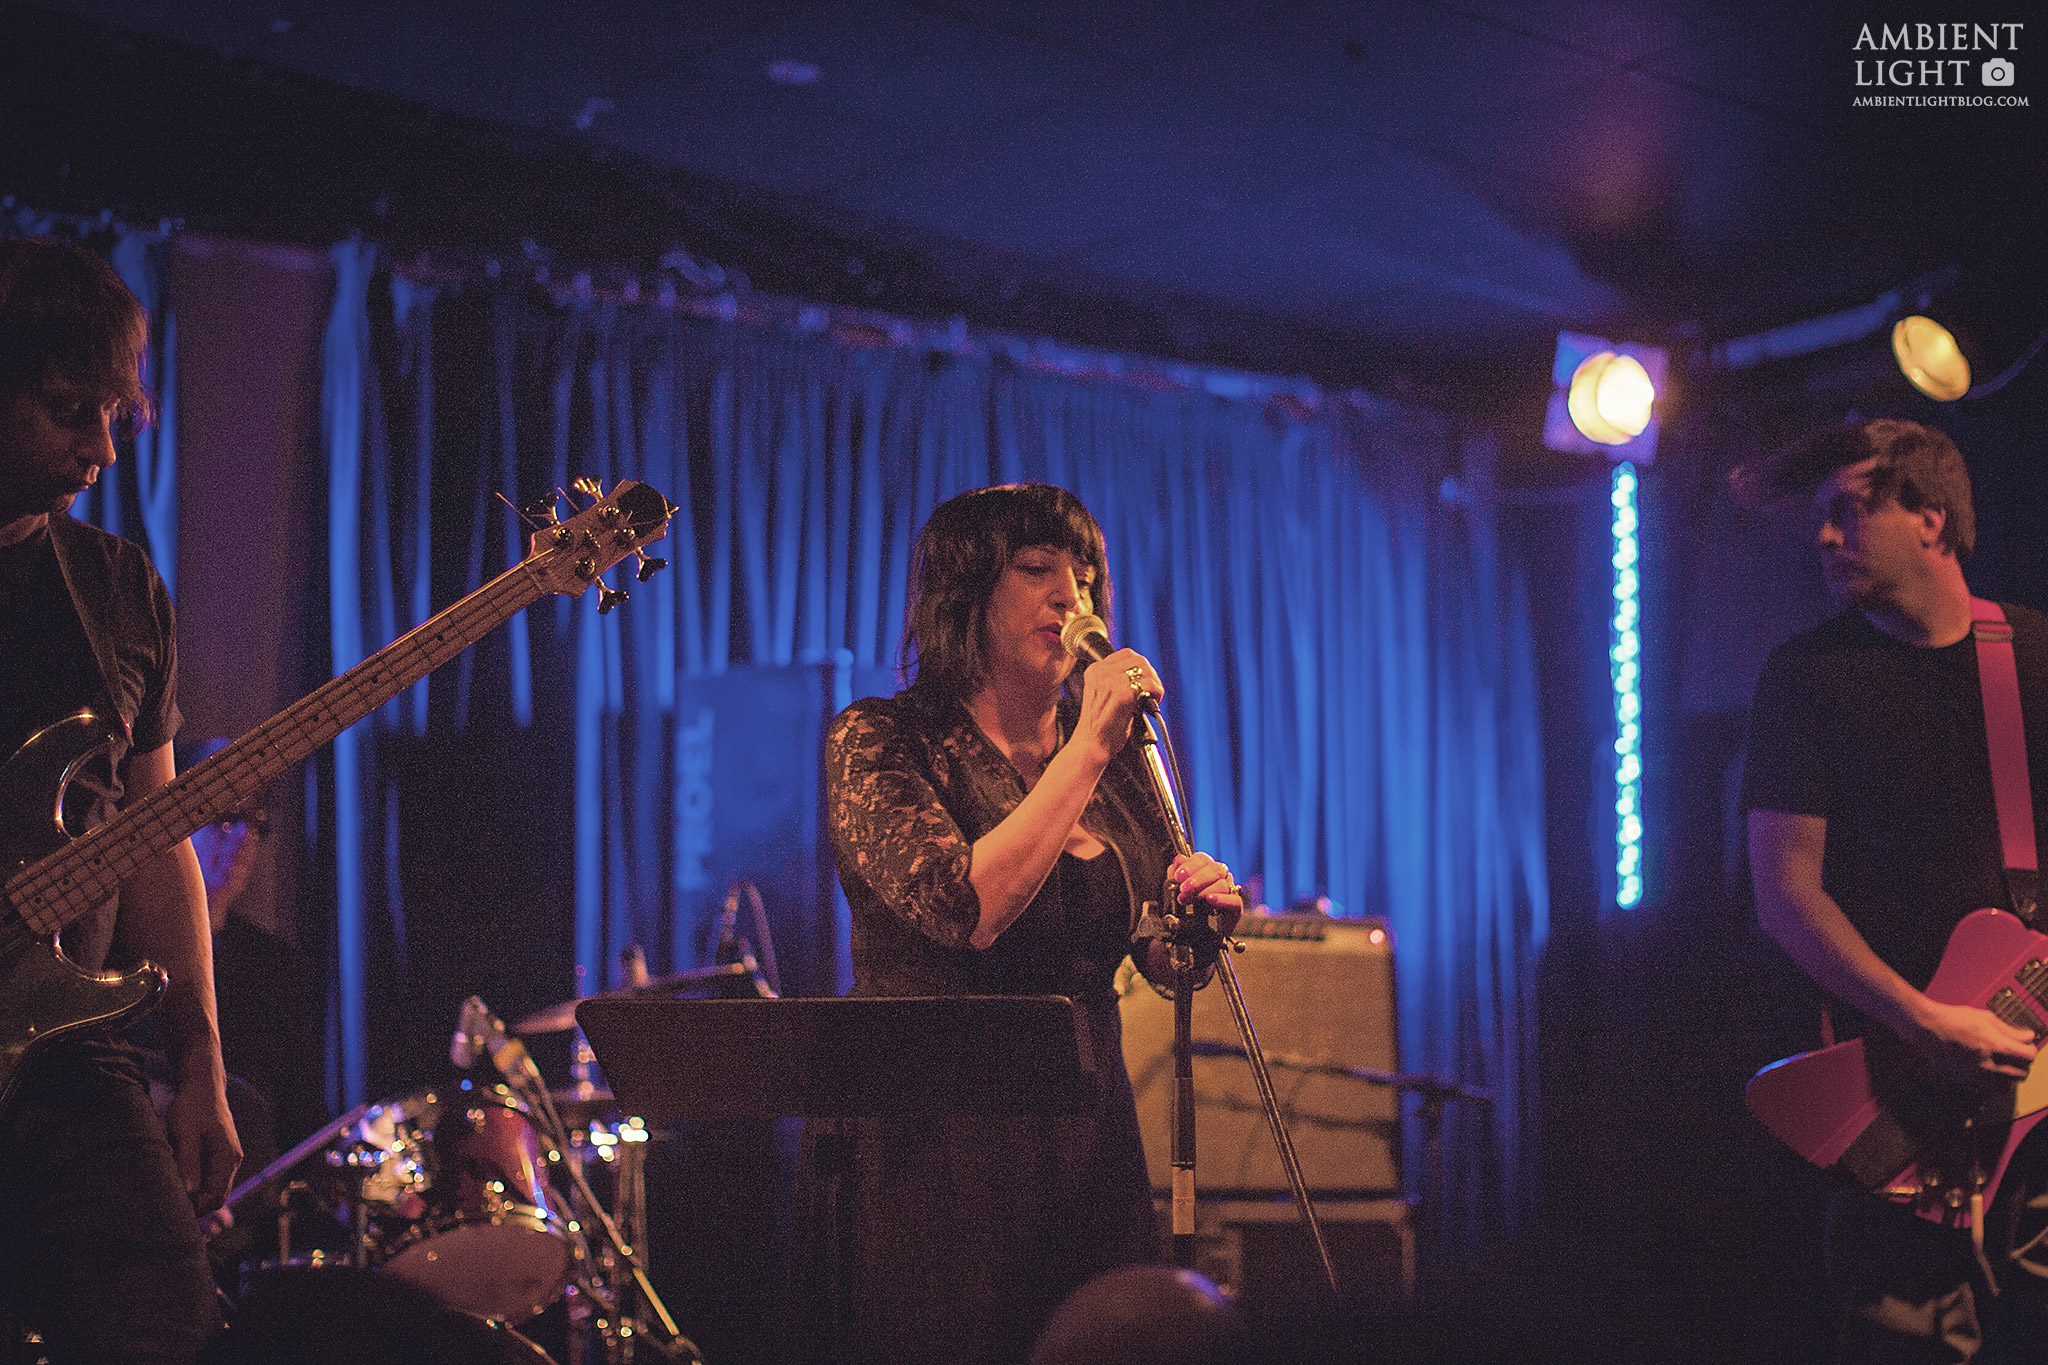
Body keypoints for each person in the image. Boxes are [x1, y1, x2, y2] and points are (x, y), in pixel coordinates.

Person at [797, 483, 1244, 1365]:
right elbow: (964, 908)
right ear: (966, 595)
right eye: (1037, 570)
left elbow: (1157, 953)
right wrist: (1087, 751)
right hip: (935, 1133)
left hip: (1084, 1130)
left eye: (1083, 578)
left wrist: (1197, 917)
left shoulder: (1107, 756)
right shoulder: (882, 739)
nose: (1068, 597)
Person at [1741, 418, 2048, 1361]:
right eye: (1819, 517)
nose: (1823, 537)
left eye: (1850, 510)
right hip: (1894, 1095)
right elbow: (1785, 894)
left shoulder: (2031, 656)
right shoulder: (1808, 676)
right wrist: (1923, 1021)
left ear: (1932, 518)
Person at [0, 238, 241, 1362]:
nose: (102, 448)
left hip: (69, 1047)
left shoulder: (118, 589)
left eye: (112, 412)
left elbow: (158, 844)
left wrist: (197, 1061)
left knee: (169, 1331)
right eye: (63, 408)